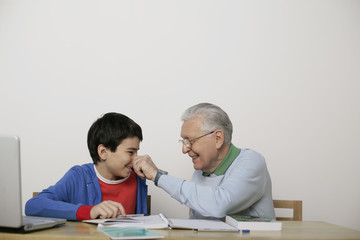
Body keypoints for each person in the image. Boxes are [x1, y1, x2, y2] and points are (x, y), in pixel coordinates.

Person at [133, 103, 275, 220]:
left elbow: (219, 204)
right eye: (183, 141)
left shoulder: (252, 162)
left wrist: (158, 176)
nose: (184, 149)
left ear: (218, 138)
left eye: (190, 140)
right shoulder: (202, 171)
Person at [25, 112, 148, 220]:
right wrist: (89, 211)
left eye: (137, 151)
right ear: (103, 152)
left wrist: (156, 175)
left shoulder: (137, 176)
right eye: (131, 152)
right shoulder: (79, 176)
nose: (136, 158)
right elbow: (33, 205)